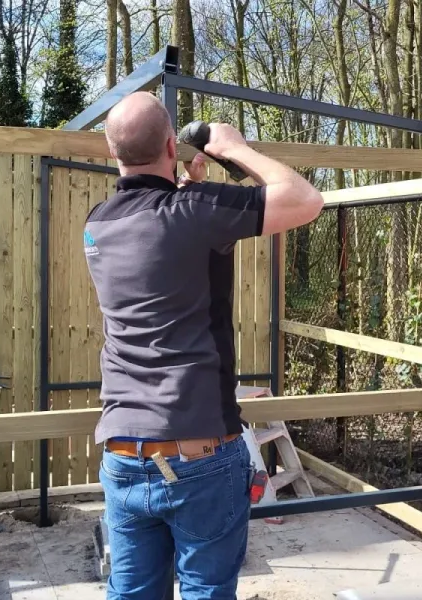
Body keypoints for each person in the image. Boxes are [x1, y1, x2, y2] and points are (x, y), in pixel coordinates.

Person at [84, 91, 323, 600]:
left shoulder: (98, 225)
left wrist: (190, 192)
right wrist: (235, 149)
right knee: (206, 591)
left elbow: (169, 245)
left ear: (112, 153)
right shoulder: (192, 212)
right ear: (173, 144)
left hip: (124, 455)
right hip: (200, 456)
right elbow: (305, 200)